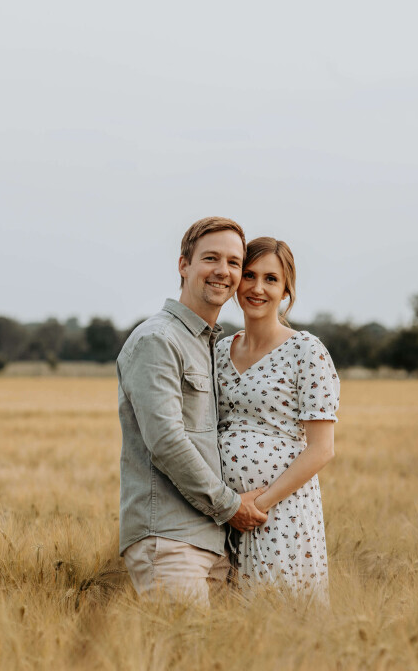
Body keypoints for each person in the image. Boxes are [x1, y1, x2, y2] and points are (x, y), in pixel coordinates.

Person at [117, 217, 268, 606]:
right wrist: (232, 507)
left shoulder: (210, 346)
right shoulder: (159, 339)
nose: (223, 271)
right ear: (183, 265)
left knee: (211, 666)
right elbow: (166, 441)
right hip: (170, 540)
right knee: (181, 660)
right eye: (211, 258)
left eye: (234, 263)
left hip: (213, 543)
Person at [215, 237, 340, 603]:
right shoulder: (220, 350)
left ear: (286, 289)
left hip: (279, 515)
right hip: (224, 515)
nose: (257, 288)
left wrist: (257, 506)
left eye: (271, 279)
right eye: (249, 275)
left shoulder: (306, 350)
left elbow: (321, 449)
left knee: (282, 617)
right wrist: (229, 506)